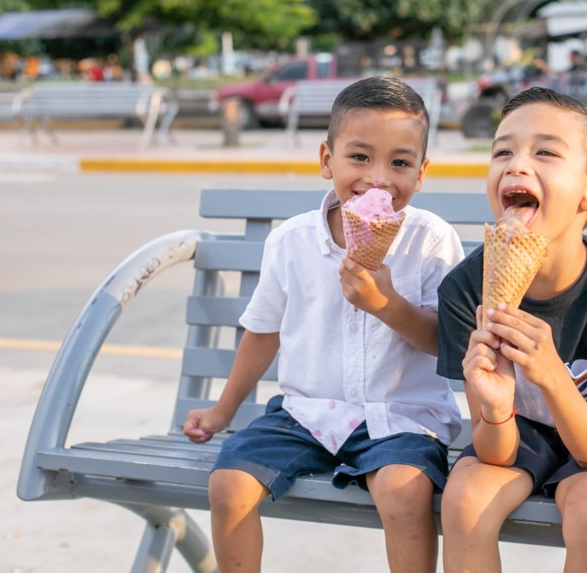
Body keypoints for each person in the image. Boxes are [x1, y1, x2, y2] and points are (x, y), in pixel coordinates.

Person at [183, 76, 464, 573]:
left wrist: (386, 304)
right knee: (228, 486)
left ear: (421, 174)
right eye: (359, 157)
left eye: (399, 162)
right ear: (325, 160)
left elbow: (445, 342)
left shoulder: (431, 239)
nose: (378, 178)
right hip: (304, 414)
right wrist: (224, 410)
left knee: (403, 493)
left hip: (399, 417)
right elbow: (264, 331)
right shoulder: (291, 241)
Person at [436, 87, 587, 573]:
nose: (516, 164)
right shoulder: (466, 289)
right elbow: (493, 453)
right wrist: (498, 409)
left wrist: (550, 373)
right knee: (463, 500)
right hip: (523, 427)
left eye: (545, 151)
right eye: (503, 150)